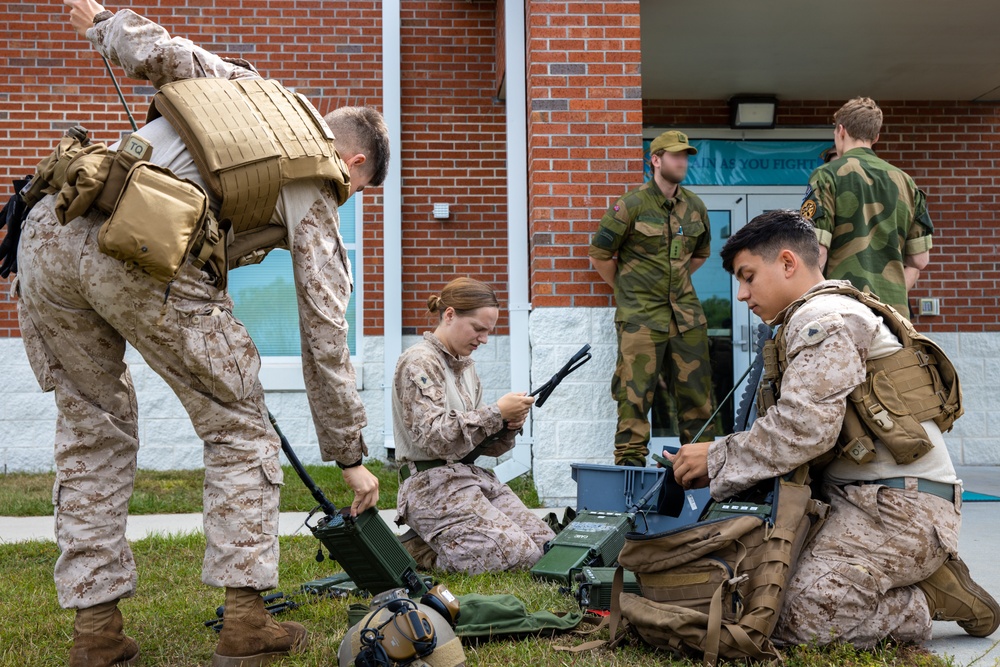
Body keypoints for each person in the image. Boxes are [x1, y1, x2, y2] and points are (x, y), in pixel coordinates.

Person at [14, 2, 388, 665]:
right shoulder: (318, 177)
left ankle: (96, 633)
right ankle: (246, 623)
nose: (348, 196)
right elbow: (326, 328)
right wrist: (348, 451)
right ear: (352, 159)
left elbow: (157, 49)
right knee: (240, 428)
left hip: (48, 226)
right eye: (358, 186)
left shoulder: (246, 89)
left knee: (90, 428)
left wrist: (100, 19)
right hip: (139, 241)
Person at [666, 210, 999, 648]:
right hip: (850, 500)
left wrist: (715, 457)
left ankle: (927, 598)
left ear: (787, 263)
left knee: (795, 617)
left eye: (748, 277)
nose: (743, 294)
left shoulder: (825, 318)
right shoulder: (807, 317)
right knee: (751, 594)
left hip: (900, 507)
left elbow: (806, 428)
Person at [391, 278, 555, 574]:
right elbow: (433, 437)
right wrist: (495, 413)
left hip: (468, 476)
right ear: (450, 315)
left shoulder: (466, 369)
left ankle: (445, 539)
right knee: (521, 557)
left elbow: (474, 444)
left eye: (488, 332)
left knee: (547, 546)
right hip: (430, 486)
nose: (483, 339)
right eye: (478, 329)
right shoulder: (419, 362)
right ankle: (423, 550)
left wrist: (507, 425)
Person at [589, 130, 716, 467]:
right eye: (675, 155)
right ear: (655, 160)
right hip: (640, 318)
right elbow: (600, 255)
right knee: (634, 397)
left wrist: (675, 282)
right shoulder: (630, 205)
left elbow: (700, 254)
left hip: (686, 317)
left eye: (685, 155)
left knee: (698, 399)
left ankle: (702, 471)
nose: (682, 161)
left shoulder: (695, 207)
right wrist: (627, 290)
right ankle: (630, 473)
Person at [801, 97, 932, 317]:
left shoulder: (826, 175)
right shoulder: (906, 182)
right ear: (876, 137)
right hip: (893, 315)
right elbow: (920, 259)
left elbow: (817, 251)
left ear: (841, 131)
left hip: (842, 312)